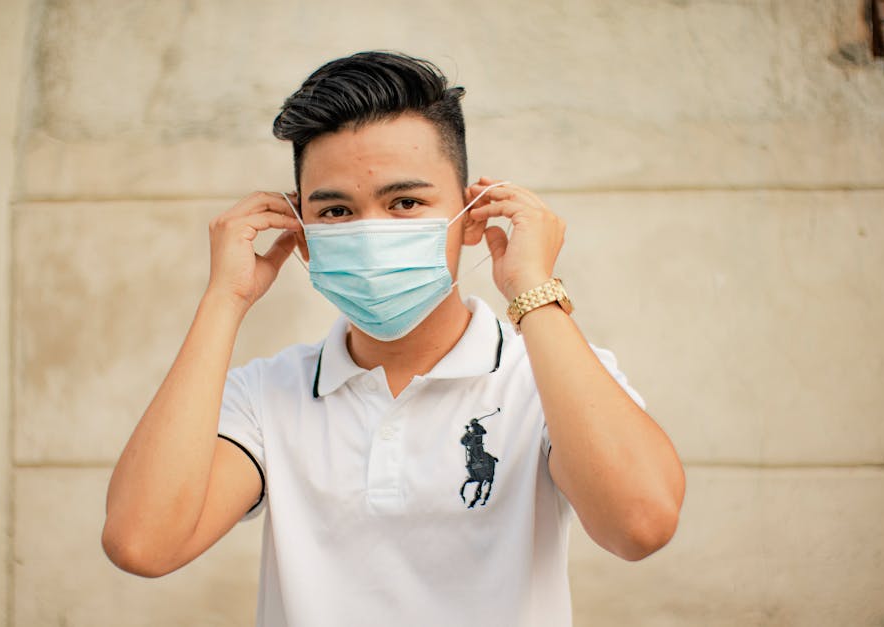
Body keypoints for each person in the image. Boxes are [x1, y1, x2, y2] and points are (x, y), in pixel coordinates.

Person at [102, 50, 685, 626]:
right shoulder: (264, 396)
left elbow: (640, 525)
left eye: (406, 202)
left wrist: (532, 290)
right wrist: (223, 302)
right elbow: (142, 544)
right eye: (335, 211)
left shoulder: (551, 377)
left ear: (472, 215)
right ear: (302, 234)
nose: (371, 232)